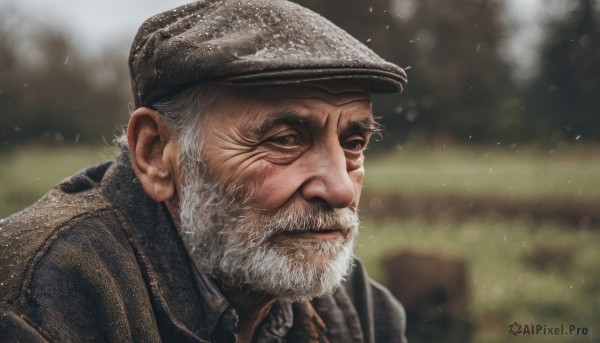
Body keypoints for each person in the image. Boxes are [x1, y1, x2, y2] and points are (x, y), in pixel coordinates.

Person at [0, 0, 408, 342]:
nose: (339, 189)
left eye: (353, 143)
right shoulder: (41, 301)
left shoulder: (356, 308)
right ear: (157, 153)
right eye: (285, 139)